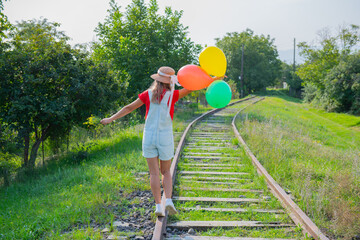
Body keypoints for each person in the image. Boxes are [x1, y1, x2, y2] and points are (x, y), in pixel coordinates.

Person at [100, 66, 193, 217]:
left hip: (149, 137)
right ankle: (168, 200)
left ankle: (158, 205)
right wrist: (212, 79)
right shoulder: (173, 95)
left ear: (157, 80)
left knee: (154, 173)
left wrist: (111, 119)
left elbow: (129, 108)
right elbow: (191, 87)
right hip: (165, 137)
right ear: (169, 82)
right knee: (166, 172)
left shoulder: (147, 94)